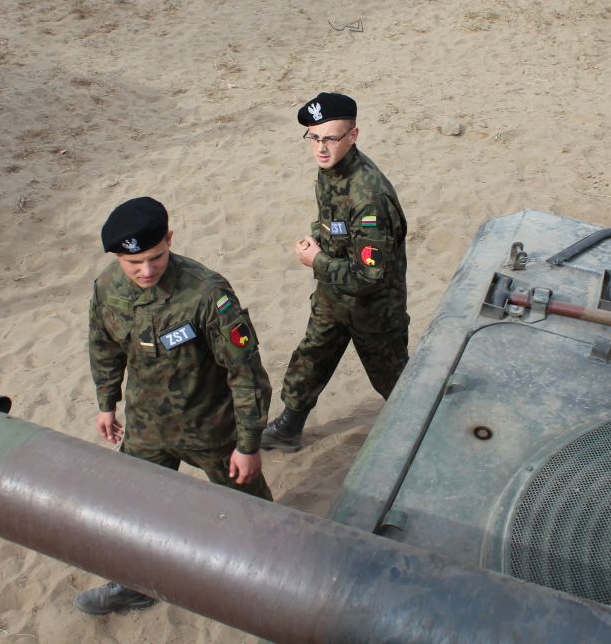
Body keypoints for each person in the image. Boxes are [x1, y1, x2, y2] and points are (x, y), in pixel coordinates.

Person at [74, 196, 273, 615]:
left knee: (252, 512)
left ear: (170, 239)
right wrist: (107, 403)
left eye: (156, 257)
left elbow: (245, 373)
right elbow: (103, 346)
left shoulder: (207, 293)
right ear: (117, 258)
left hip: (211, 429)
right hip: (146, 427)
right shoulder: (107, 289)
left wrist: (248, 444)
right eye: (134, 263)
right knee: (134, 507)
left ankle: (276, 578)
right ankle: (136, 584)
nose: (147, 271)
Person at [260, 92, 409, 452]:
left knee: (395, 380)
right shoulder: (330, 170)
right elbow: (330, 219)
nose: (321, 148)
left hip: (373, 309)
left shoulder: (368, 197)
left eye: (330, 138)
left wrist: (317, 261)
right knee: (311, 357)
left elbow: (369, 277)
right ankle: (289, 427)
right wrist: (318, 237)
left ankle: (419, 434)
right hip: (333, 295)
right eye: (314, 137)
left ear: (353, 135)